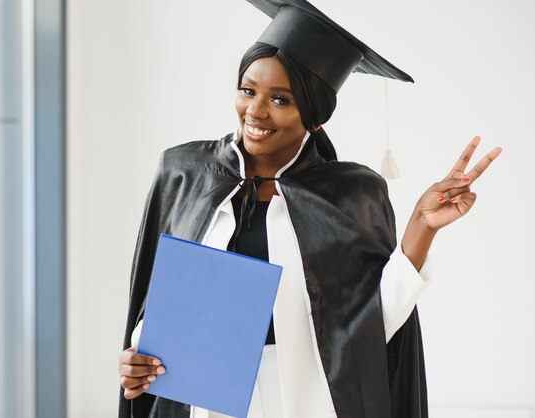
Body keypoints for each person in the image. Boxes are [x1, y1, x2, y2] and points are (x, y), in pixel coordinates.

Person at [118, 1, 502, 418]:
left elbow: (369, 327)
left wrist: (421, 227)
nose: (256, 111)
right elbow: (159, 299)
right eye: (248, 90)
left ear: (315, 117)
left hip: (300, 395)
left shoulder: (350, 192)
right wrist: (137, 355)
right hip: (203, 398)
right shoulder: (186, 172)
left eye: (280, 99)